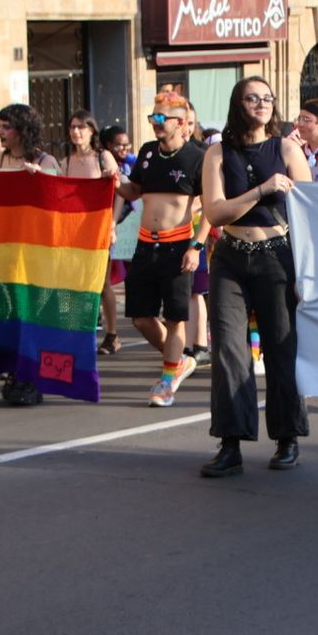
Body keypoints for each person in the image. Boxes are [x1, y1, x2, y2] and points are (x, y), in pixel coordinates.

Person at [198, 76, 312, 477]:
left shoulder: (286, 148)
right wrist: (261, 190)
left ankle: (287, 438)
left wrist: (308, 271)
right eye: (252, 98)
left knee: (282, 348)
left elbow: (310, 211)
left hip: (276, 255)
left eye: (267, 98)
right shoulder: (216, 152)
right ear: (238, 104)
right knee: (229, 350)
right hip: (230, 257)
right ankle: (230, 443)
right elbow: (215, 213)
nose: (261, 104)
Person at [115, 91, 210, 406]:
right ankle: (178, 359)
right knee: (141, 317)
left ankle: (167, 381)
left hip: (178, 247)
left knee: (174, 319)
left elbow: (211, 207)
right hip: (145, 246)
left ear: (180, 122)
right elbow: (134, 191)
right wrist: (114, 180)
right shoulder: (146, 152)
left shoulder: (197, 157)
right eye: (152, 117)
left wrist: (196, 246)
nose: (155, 123)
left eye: (160, 118)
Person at [58, 110, 123, 355]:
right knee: (71, 282)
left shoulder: (103, 158)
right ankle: (74, 331)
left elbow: (119, 193)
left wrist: (112, 223)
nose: (76, 132)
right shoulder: (65, 162)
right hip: (72, 230)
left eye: (81, 127)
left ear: (92, 131)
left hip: (98, 228)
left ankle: (112, 334)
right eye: (73, 127)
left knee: (101, 283)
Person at [0, 103, 58, 174]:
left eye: (6, 127)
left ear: (23, 130)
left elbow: (59, 186)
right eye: (0, 126)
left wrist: (41, 176)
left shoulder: (46, 161)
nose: (0, 132)